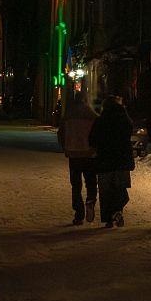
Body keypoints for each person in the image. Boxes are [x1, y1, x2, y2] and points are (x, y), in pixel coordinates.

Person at [88, 95, 135, 228]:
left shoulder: (100, 120)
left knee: (106, 191)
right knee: (120, 188)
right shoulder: (125, 120)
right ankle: (118, 211)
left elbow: (92, 139)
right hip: (122, 160)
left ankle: (108, 218)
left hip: (105, 160)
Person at [57, 92, 99, 225]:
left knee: (76, 185)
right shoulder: (93, 116)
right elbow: (98, 134)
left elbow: (60, 134)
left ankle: (79, 214)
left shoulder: (68, 116)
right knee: (91, 182)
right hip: (89, 154)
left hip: (73, 154)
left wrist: (65, 147)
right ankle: (90, 200)